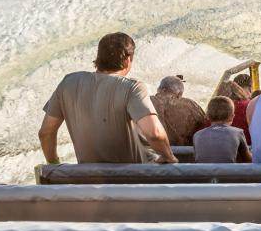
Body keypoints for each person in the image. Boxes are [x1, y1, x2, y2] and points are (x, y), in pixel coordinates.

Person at [38, 32, 177, 164]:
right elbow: (155, 133)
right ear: (128, 60)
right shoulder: (132, 88)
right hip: (134, 179)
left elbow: (46, 132)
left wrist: (53, 164)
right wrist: (168, 156)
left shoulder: (68, 83)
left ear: (98, 57)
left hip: (90, 180)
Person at [150, 76, 208, 146]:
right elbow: (206, 126)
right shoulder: (191, 105)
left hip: (151, 152)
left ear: (160, 89)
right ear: (180, 94)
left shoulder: (146, 101)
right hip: (182, 153)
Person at [193, 96, 252, 163]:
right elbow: (248, 159)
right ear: (232, 117)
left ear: (208, 116)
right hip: (227, 173)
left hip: (202, 173)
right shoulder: (238, 133)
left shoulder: (197, 135)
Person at [214, 81, 252, 145]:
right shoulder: (250, 105)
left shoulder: (214, 108)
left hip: (221, 147)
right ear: (239, 91)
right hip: (247, 145)